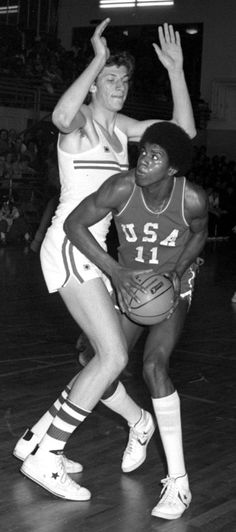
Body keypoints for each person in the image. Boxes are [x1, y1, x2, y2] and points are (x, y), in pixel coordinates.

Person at [13, 18, 196, 504]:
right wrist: (96, 57)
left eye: (125, 80)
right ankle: (47, 456)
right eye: (111, 79)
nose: (120, 87)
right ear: (94, 83)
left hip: (94, 252)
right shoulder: (79, 128)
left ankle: (37, 436)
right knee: (114, 356)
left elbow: (182, 135)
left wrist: (176, 71)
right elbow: (59, 114)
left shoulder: (122, 129)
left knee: (101, 356)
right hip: (73, 248)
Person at [63, 122, 208, 519]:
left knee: (153, 366)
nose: (143, 160)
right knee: (97, 365)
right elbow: (74, 224)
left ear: (173, 169)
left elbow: (199, 234)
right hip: (129, 284)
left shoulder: (192, 198)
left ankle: (178, 483)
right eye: (143, 151)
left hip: (169, 287)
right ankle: (138, 422)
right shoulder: (122, 188)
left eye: (155, 156)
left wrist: (178, 270)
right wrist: (114, 271)